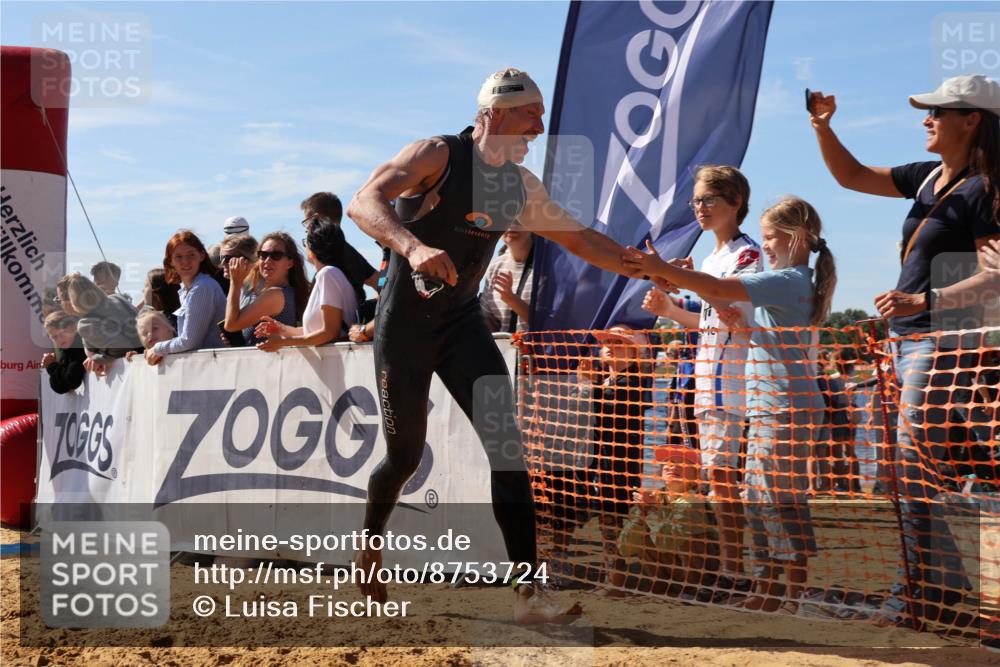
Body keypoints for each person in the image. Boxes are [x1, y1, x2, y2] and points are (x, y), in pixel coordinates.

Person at [346, 67, 639, 623]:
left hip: (461, 328)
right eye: (532, 113)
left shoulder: (519, 187)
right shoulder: (438, 155)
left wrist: (638, 265)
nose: (540, 125)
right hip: (404, 328)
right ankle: (369, 544)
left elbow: (577, 237)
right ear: (496, 114)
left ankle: (529, 595)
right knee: (403, 457)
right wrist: (410, 248)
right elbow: (363, 201)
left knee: (509, 454)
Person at [809, 74, 999, 629]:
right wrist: (823, 128)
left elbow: (995, 273)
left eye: (936, 112)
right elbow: (851, 176)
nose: (925, 119)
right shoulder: (930, 179)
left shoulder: (984, 187)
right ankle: (939, 583)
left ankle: (923, 590)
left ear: (972, 120)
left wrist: (922, 297)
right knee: (908, 465)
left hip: (942, 339)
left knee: (913, 464)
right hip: (911, 339)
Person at [625, 195, 837, 615]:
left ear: (796, 238)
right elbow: (762, 336)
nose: (766, 247)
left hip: (784, 405)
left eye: (771, 238)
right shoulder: (789, 282)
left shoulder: (791, 279)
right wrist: (742, 329)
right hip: (769, 402)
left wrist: (662, 270)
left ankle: (791, 592)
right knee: (758, 494)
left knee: (779, 499)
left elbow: (720, 288)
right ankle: (770, 586)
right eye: (764, 238)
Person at [639, 164, 763, 593]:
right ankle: (728, 566)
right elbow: (711, 318)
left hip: (735, 383)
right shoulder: (711, 258)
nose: (700, 207)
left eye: (710, 198)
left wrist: (676, 277)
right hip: (707, 382)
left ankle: (736, 569)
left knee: (727, 480)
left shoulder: (748, 254)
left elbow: (728, 300)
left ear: (736, 202)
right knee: (716, 478)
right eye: (696, 200)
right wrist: (671, 308)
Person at [574, 325, 647, 597]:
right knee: (609, 520)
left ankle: (618, 579)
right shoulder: (607, 378)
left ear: (632, 351)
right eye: (606, 341)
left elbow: (609, 408)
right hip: (602, 459)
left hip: (621, 463)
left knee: (617, 520)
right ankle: (615, 576)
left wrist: (586, 385)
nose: (608, 346)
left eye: (617, 342)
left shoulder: (633, 378)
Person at [619, 445, 719, 600]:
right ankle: (660, 584)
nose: (672, 466)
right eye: (668, 463)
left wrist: (651, 510)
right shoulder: (653, 497)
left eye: (682, 464)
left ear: (696, 477)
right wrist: (641, 515)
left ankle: (697, 588)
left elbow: (667, 542)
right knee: (641, 533)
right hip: (673, 570)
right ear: (660, 473)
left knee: (687, 538)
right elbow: (625, 548)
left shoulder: (693, 501)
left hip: (707, 575)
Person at [254, 219, 357, 351]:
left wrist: (283, 342)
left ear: (313, 248)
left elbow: (330, 333)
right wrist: (282, 329)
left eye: (305, 242)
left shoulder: (328, 274)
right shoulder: (330, 274)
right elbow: (315, 331)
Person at [146, 230, 226, 365]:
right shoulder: (186, 290)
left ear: (201, 255)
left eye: (191, 254)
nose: (185, 261)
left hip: (214, 367)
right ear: (170, 261)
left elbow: (189, 341)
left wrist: (158, 349)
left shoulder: (202, 287)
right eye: (178, 256)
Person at [223, 232, 307, 347]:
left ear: (290, 263)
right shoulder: (286, 292)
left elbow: (231, 325)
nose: (268, 260)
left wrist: (235, 282)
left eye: (276, 255)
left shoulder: (275, 294)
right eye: (263, 255)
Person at [64, 273, 142, 376]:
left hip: (136, 370)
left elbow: (121, 348)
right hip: (152, 357)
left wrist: (97, 359)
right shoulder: (117, 298)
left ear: (74, 301)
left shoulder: (86, 324)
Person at [301, 192, 379, 294]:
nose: (306, 228)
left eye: (306, 221)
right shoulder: (351, 252)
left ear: (317, 218)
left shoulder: (328, 265)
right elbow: (378, 281)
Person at [480, 221, 534, 333]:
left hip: (538, 349)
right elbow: (487, 320)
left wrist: (512, 300)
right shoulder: (495, 267)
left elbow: (554, 322)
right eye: (506, 220)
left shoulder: (548, 266)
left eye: (519, 220)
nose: (511, 225)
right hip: (502, 349)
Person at [40, 310, 86, 394]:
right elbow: (60, 388)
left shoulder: (80, 348)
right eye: (54, 337)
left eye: (62, 334)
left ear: (73, 328)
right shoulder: (67, 352)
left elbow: (71, 381)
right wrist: (52, 365)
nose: (60, 339)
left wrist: (51, 366)